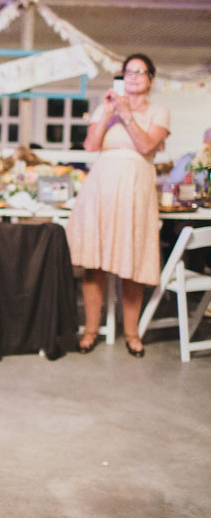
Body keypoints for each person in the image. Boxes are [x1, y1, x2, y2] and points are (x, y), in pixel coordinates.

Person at [66, 53, 169, 358]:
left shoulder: (159, 111)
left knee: (131, 263)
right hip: (102, 188)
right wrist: (110, 111)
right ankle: (89, 331)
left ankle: (132, 333)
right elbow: (91, 145)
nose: (134, 76)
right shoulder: (107, 106)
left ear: (150, 78)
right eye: (128, 72)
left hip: (135, 190)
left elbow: (148, 145)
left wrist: (126, 114)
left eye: (140, 72)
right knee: (94, 262)